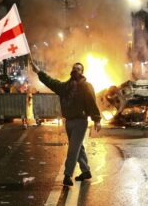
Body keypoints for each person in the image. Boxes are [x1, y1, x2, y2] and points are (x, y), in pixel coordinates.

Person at [30, 58, 101, 186]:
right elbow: (51, 82)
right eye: (74, 68)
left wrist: (97, 119)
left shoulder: (86, 86)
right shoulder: (65, 87)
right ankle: (85, 171)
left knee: (73, 149)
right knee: (78, 148)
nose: (75, 70)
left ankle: (67, 175)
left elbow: (91, 102)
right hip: (69, 122)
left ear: (82, 72)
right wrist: (39, 72)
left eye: (78, 69)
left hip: (80, 122)